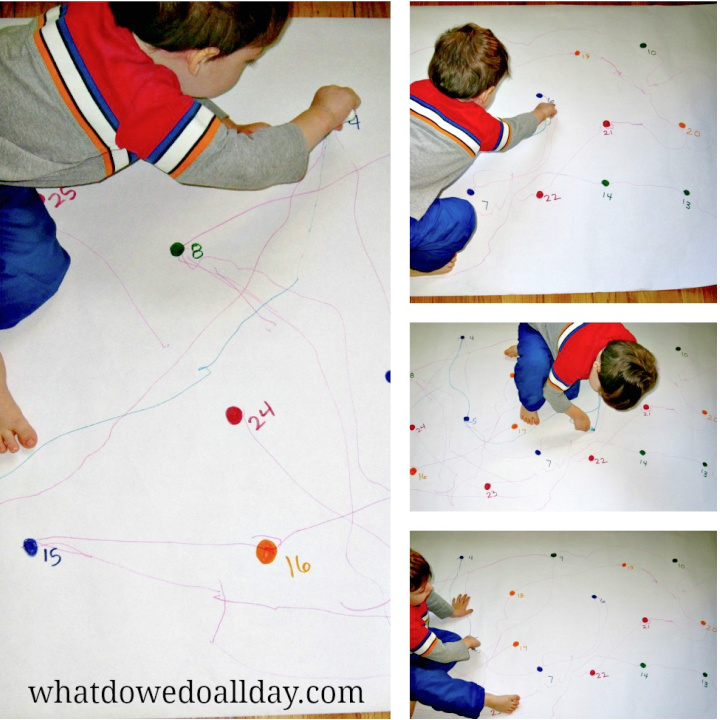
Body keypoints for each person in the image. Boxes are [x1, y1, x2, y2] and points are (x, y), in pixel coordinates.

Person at [0, 2, 360, 453]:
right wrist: (323, 115)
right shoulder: (141, 102)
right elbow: (250, 166)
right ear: (201, 56)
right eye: (248, 61)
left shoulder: (96, 12)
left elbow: (154, 86)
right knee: (30, 275)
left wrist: (216, 130)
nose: (247, 69)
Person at [410, 23, 556, 275]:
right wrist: (539, 113)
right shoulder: (481, 128)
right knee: (463, 217)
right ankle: (418, 267)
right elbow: (511, 133)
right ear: (486, 94)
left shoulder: (413, 90)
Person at [411, 549, 521, 718]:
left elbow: (430, 597)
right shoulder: (408, 626)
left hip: (413, 649)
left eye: (427, 583)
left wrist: (452, 612)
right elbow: (444, 653)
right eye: (422, 590)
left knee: (453, 641)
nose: (430, 588)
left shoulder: (415, 590)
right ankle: (484, 699)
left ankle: (416, 686)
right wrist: (467, 643)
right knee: (429, 683)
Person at [504, 323, 658, 431]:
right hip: (536, 326)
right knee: (535, 365)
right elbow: (551, 393)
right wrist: (578, 415)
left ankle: (529, 347)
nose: (599, 392)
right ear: (597, 366)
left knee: (570, 392)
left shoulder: (629, 346)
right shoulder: (575, 360)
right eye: (600, 391)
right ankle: (528, 401)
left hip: (566, 334)